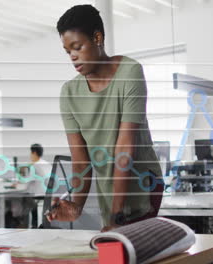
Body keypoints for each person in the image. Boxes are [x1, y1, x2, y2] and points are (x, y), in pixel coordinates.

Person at [47, 4, 163, 231]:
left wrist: (116, 215)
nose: (72, 56)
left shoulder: (130, 72)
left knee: (132, 248)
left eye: (77, 47)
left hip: (142, 184)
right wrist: (75, 205)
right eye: (67, 51)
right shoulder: (69, 93)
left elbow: (125, 147)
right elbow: (81, 160)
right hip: (108, 188)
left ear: (97, 38)